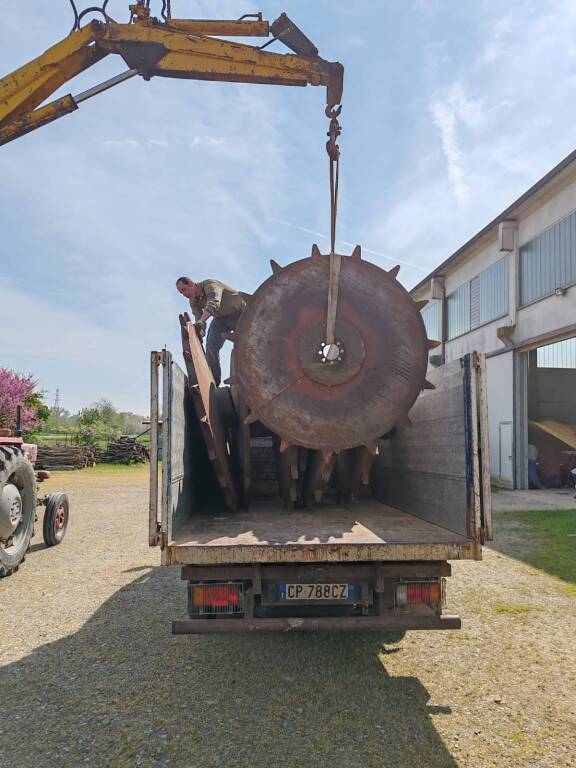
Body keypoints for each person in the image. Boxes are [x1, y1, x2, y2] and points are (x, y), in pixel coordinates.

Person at [176, 276, 245, 386]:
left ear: (191, 283)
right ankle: (214, 382)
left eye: (184, 289)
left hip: (241, 314)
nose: (184, 294)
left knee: (247, 342)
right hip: (221, 319)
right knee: (211, 345)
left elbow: (213, 303)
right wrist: (200, 333)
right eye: (181, 293)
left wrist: (201, 323)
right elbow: (198, 318)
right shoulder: (193, 301)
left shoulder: (210, 285)